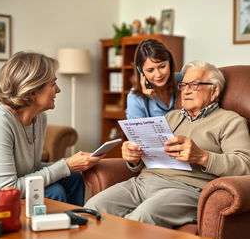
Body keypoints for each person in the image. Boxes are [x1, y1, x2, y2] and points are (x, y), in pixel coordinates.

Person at [85, 60, 250, 228]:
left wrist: (202, 157)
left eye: (194, 85)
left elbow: (245, 164)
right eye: (184, 85)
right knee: (92, 209)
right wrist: (133, 158)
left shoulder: (231, 121)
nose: (186, 90)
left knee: (140, 219)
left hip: (187, 189)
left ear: (214, 91)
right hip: (143, 182)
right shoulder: (172, 116)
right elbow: (149, 156)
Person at [0, 51, 104, 206]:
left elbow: (33, 168)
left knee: (73, 178)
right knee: (54, 191)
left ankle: (75, 222)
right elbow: (6, 189)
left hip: (17, 185)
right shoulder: (0, 121)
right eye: (53, 84)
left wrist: (72, 164)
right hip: (2, 195)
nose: (58, 90)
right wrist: (65, 165)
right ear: (32, 92)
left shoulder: (39, 117)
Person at [126, 38, 181, 119]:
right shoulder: (135, 98)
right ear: (141, 71)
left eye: (162, 66)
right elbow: (138, 131)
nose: (158, 74)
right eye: (150, 70)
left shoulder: (182, 80)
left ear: (170, 63)